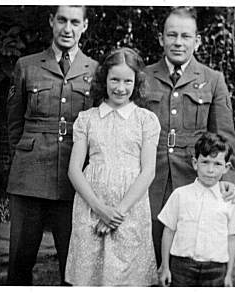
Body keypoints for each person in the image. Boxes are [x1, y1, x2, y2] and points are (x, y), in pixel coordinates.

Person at [6, 6, 98, 285]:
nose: (67, 29)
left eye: (74, 22)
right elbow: (14, 123)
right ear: (51, 22)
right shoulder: (27, 65)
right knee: (20, 261)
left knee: (72, 266)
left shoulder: (95, 70)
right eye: (61, 20)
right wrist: (25, 158)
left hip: (73, 180)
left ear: (84, 25)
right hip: (29, 177)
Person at [144, 6, 235, 267]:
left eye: (185, 36)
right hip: (150, 182)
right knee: (149, 256)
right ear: (161, 38)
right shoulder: (143, 77)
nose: (177, 42)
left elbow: (224, 136)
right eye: (171, 35)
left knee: (189, 257)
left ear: (196, 41)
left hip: (193, 181)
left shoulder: (213, 80)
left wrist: (227, 179)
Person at [64, 47, 160, 286]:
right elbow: (74, 170)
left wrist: (117, 213)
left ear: (136, 83)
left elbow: (148, 171)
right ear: (104, 79)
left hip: (129, 210)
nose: (120, 87)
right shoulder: (87, 119)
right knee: (89, 277)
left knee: (127, 277)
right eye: (114, 79)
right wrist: (100, 210)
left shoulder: (145, 120)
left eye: (127, 81)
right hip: (91, 207)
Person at [158, 132, 235, 287]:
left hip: (216, 268)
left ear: (226, 168)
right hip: (182, 266)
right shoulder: (180, 195)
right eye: (205, 162)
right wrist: (165, 267)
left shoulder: (228, 200)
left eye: (217, 164)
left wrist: (229, 274)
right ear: (195, 163)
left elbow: (232, 237)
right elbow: (168, 231)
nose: (210, 170)